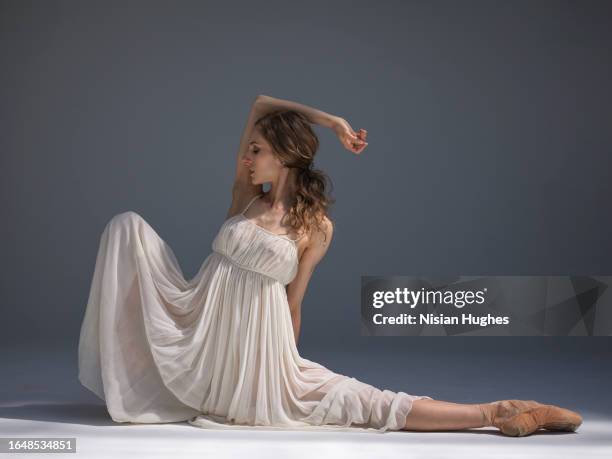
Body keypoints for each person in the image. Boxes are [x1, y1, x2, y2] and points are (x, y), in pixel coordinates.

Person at [78, 94, 582, 436]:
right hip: (205, 329)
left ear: (284, 157)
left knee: (360, 401)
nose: (248, 158)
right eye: (250, 150)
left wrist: (284, 367)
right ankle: (497, 411)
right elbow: (260, 103)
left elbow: (294, 301)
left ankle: (499, 411)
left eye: (258, 151)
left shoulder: (315, 227)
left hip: (260, 345)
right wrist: (333, 121)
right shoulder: (245, 196)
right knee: (128, 227)